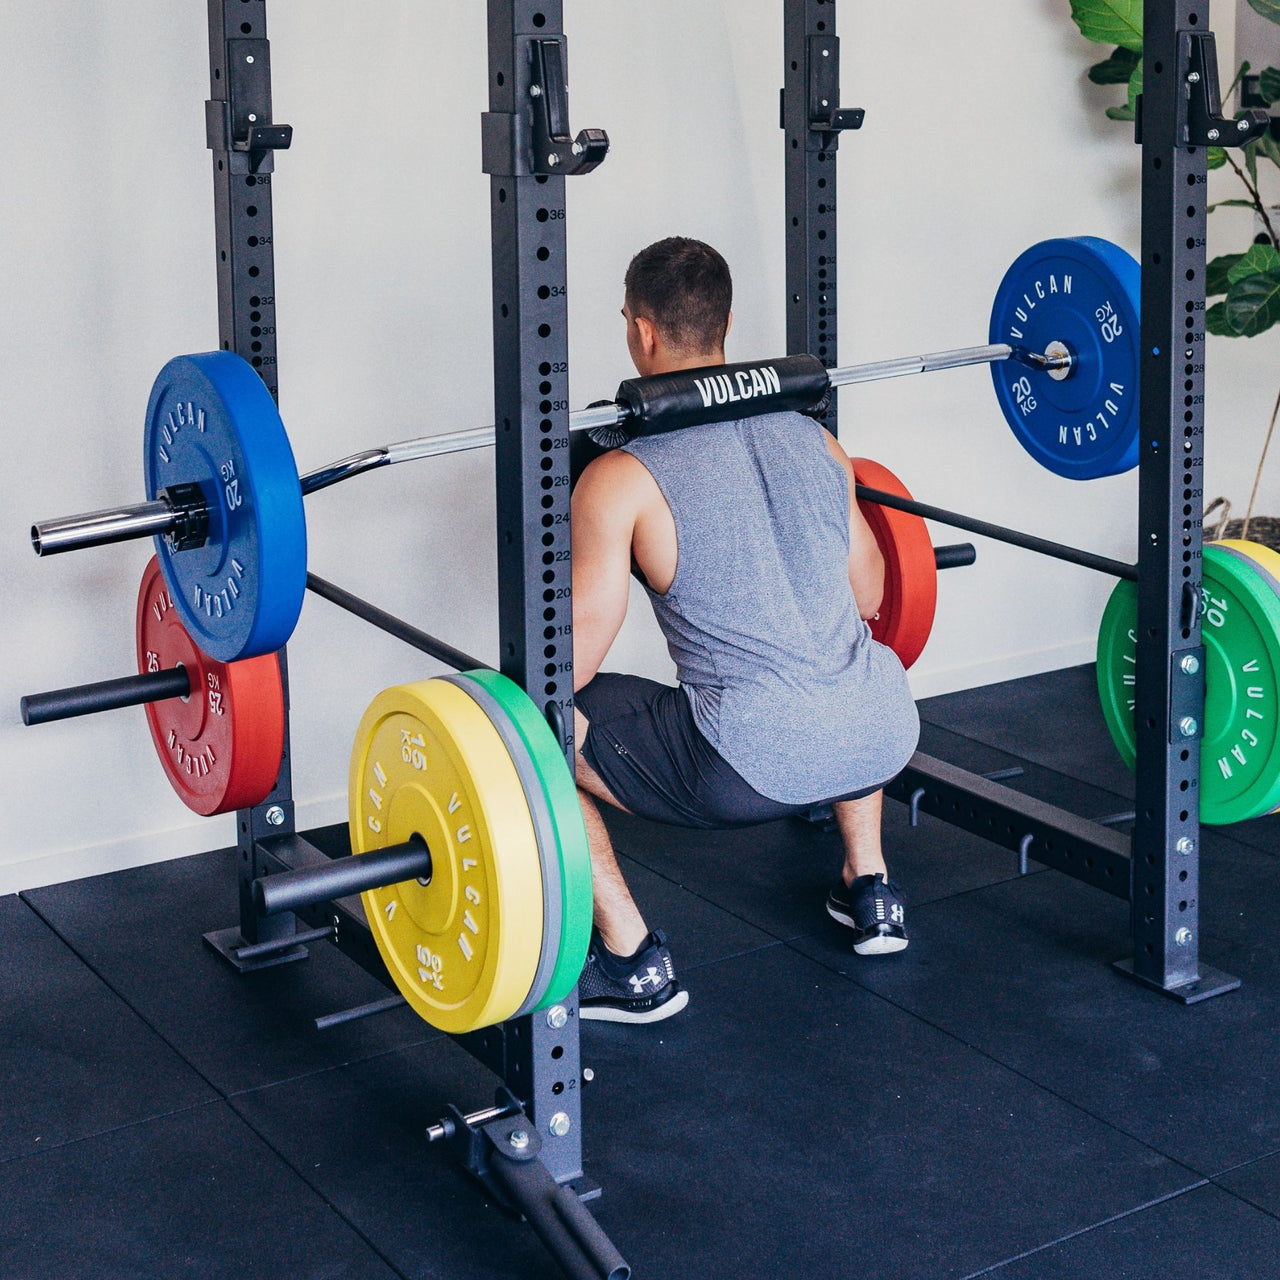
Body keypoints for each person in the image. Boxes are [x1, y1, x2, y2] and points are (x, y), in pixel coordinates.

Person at [571, 237, 920, 1024]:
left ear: (642, 334)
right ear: (727, 324)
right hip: (885, 732)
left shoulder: (620, 477)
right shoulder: (818, 442)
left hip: (742, 767)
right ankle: (870, 888)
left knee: (539, 724)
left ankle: (630, 961)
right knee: (842, 656)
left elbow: (575, 654)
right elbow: (869, 595)